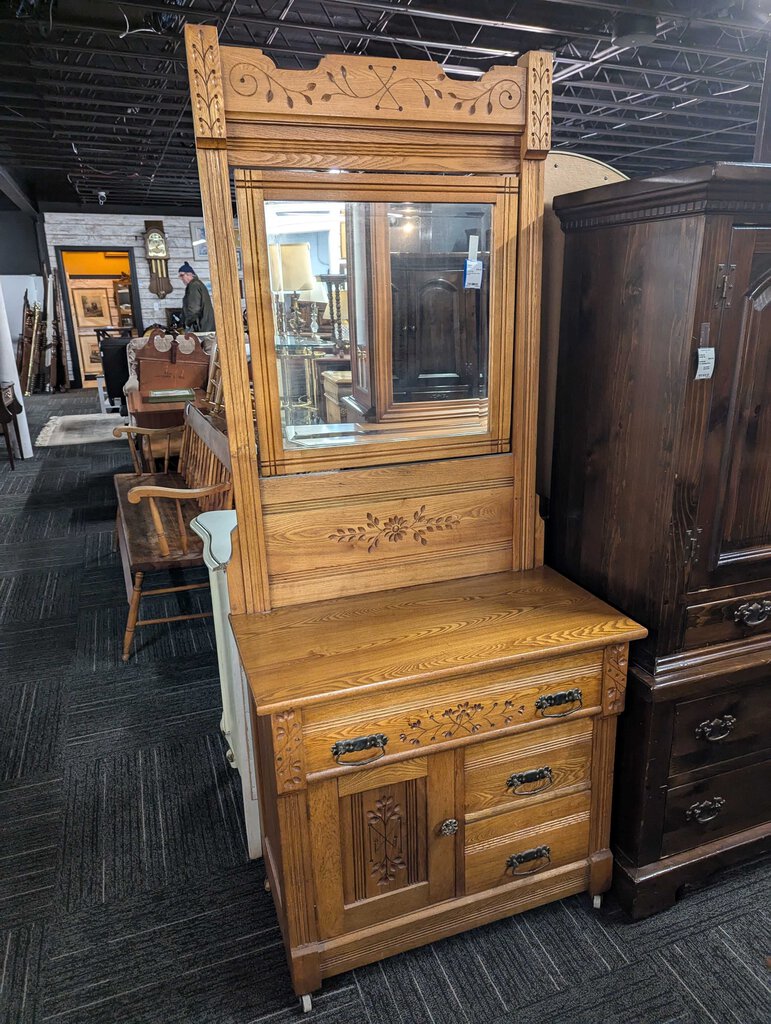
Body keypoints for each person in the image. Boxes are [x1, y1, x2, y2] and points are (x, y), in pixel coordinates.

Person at [178, 262, 215, 332]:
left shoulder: (193, 286)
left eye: (182, 275)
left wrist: (187, 323)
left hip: (200, 327)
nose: (181, 278)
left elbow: (194, 309)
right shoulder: (198, 284)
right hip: (205, 326)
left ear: (189, 274)